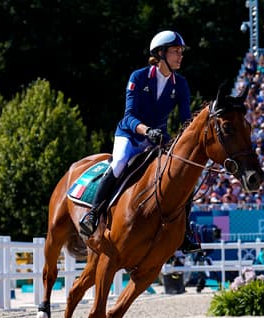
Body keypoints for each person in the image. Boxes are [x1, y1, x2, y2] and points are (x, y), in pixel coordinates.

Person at [79, 30, 200, 253]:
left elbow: (186, 120)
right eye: (175, 51)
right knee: (119, 163)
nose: (180, 56)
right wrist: (147, 131)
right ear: (160, 53)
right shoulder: (139, 77)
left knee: (182, 176)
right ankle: (94, 214)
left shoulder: (180, 84)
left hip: (158, 140)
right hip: (131, 135)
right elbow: (129, 115)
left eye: (181, 52)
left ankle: (184, 233)